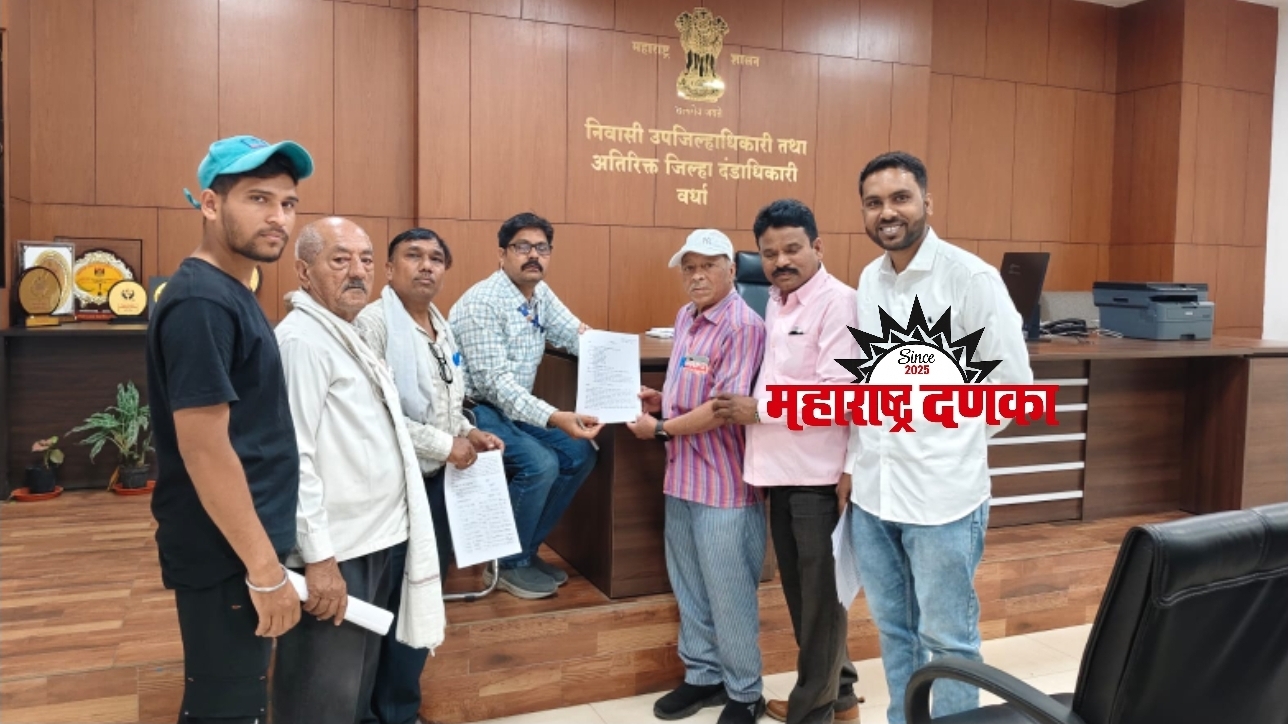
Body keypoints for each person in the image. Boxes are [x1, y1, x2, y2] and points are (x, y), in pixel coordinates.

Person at [843, 152, 1033, 724]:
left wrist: (948, 439)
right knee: (894, 631)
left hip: (942, 500)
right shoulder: (869, 279)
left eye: (900, 198)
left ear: (927, 202)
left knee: (949, 640)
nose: (887, 212)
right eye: (874, 203)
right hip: (875, 496)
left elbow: (1011, 387)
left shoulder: (970, 278)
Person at [146, 135, 312, 724]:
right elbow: (205, 449)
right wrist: (263, 572)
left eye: (288, 204)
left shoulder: (230, 291)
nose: (278, 217)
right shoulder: (202, 302)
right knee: (226, 706)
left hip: (243, 540)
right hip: (225, 551)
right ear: (211, 205)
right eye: (258, 199)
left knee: (237, 696)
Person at [272, 217, 447, 724]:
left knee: (358, 683)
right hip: (337, 549)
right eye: (339, 259)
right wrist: (319, 558)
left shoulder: (343, 332)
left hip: (376, 539)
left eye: (365, 259)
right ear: (304, 271)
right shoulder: (302, 342)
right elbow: (294, 457)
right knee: (322, 691)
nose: (357, 271)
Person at [713, 200, 862, 724]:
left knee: (820, 603)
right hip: (779, 469)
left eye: (792, 249)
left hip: (817, 476)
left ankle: (811, 713)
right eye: (769, 253)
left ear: (817, 247)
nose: (780, 261)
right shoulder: (776, 301)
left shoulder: (839, 304)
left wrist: (759, 409)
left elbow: (838, 397)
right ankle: (841, 700)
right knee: (806, 598)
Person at [355, 228, 504, 724]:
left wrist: (469, 432)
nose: (426, 266)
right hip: (391, 488)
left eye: (436, 258)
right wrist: (446, 445)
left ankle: (399, 710)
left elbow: (448, 403)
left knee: (421, 595)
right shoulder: (373, 324)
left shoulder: (441, 324)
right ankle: (370, 712)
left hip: (438, 485)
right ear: (389, 268)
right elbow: (380, 413)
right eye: (413, 256)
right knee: (388, 601)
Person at [625, 230, 768, 724]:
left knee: (729, 594)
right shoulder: (686, 317)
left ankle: (745, 692)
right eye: (689, 267)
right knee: (689, 586)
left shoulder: (744, 325)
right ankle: (704, 676)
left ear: (732, 269)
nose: (697, 276)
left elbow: (724, 408)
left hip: (725, 486)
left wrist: (662, 428)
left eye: (708, 265)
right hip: (682, 478)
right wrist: (662, 400)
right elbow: (693, 386)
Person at [448, 212, 602, 600]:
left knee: (580, 453)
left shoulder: (540, 294)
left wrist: (615, 363)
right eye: (522, 247)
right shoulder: (482, 302)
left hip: (514, 407)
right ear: (502, 254)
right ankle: (506, 564)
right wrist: (554, 416)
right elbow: (495, 386)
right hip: (475, 410)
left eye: (542, 248)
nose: (533, 255)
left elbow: (578, 335)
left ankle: (526, 552)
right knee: (540, 464)